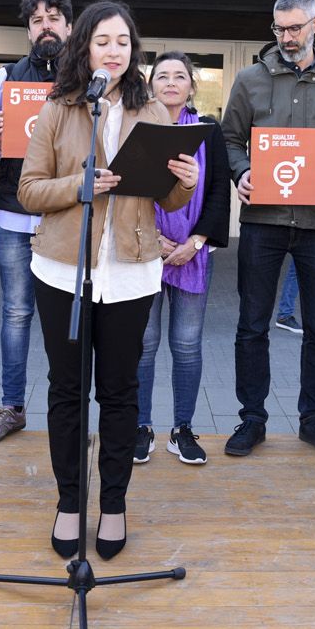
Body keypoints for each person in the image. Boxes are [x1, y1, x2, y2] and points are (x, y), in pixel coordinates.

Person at [17, 0, 197, 560]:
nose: (113, 51)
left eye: (122, 42)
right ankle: (70, 502)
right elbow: (29, 190)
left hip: (132, 273)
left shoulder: (157, 113)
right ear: (84, 48)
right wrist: (80, 185)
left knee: (119, 393)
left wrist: (185, 183)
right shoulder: (59, 108)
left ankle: (113, 503)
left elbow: (165, 196)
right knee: (67, 391)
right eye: (102, 41)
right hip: (62, 271)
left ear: (132, 49)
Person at [221, 0, 315, 459]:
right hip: (262, 219)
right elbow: (229, 139)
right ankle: (251, 419)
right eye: (280, 28)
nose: (286, 37)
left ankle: (313, 420)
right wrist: (241, 171)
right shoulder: (249, 79)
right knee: (251, 325)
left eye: (295, 28)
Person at [0, 0, 73, 445]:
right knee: (16, 314)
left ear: (69, 27)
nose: (45, 26)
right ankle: (12, 406)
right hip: (15, 218)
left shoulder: (87, 77)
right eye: (36, 20)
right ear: (28, 30)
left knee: (68, 318)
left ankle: (65, 407)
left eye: (54, 18)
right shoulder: (6, 78)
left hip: (67, 217)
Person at [135, 52, 231, 467]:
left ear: (192, 86)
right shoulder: (138, 129)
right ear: (150, 84)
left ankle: (183, 429)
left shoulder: (209, 132)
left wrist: (195, 241)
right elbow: (129, 189)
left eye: (179, 76)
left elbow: (218, 193)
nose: (171, 83)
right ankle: (140, 427)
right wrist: (151, 239)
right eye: (162, 76)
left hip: (193, 253)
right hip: (143, 252)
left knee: (187, 345)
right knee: (143, 345)